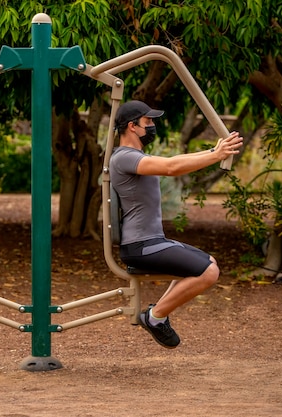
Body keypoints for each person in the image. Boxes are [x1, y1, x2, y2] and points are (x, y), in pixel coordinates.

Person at [109, 100, 243, 349]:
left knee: (209, 263)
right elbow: (171, 167)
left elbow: (173, 160)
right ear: (132, 126)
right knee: (209, 272)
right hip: (140, 245)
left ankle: (157, 315)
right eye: (148, 121)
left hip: (151, 241)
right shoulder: (125, 158)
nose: (152, 125)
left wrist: (214, 151)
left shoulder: (134, 156)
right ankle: (155, 317)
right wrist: (216, 155)